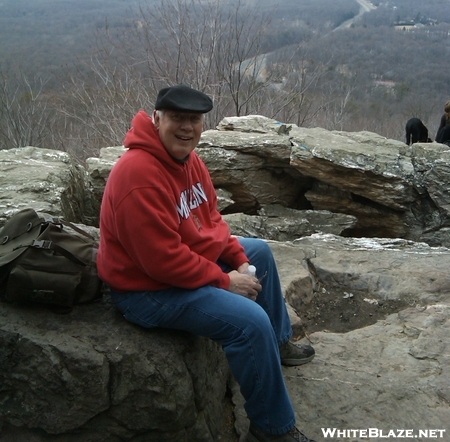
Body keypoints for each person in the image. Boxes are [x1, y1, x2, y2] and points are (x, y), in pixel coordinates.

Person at [98, 83, 316, 442]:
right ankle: (272, 428)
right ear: (156, 119)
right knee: (249, 322)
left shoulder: (189, 160)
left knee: (258, 250)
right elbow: (162, 262)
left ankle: (276, 345)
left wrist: (238, 260)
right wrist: (226, 281)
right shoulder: (138, 175)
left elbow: (211, 221)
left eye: (194, 119)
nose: (187, 127)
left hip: (176, 266)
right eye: (177, 118)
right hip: (145, 291)